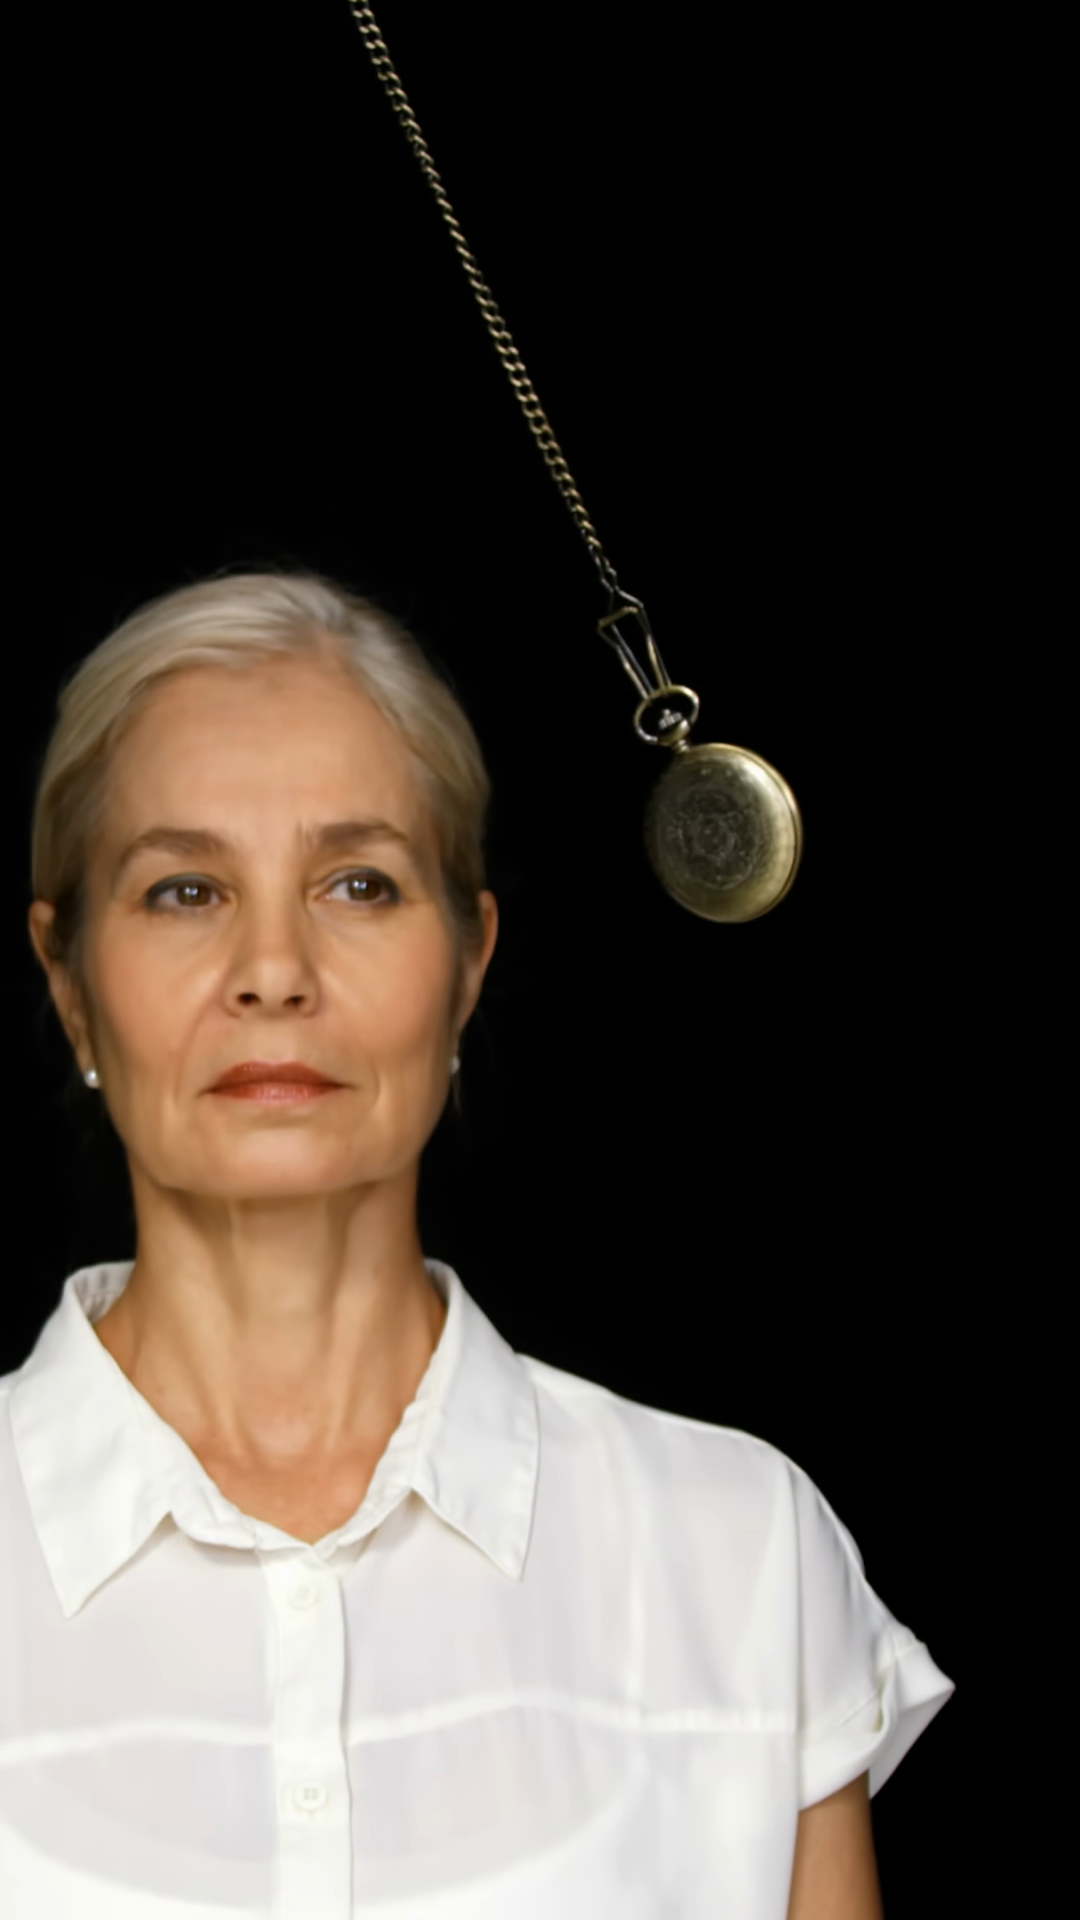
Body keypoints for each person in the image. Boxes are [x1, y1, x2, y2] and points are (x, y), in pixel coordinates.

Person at [2, 570, 952, 1917]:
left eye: (358, 883)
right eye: (185, 889)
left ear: (469, 962)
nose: (274, 970)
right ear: (70, 983)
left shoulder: (736, 1554)